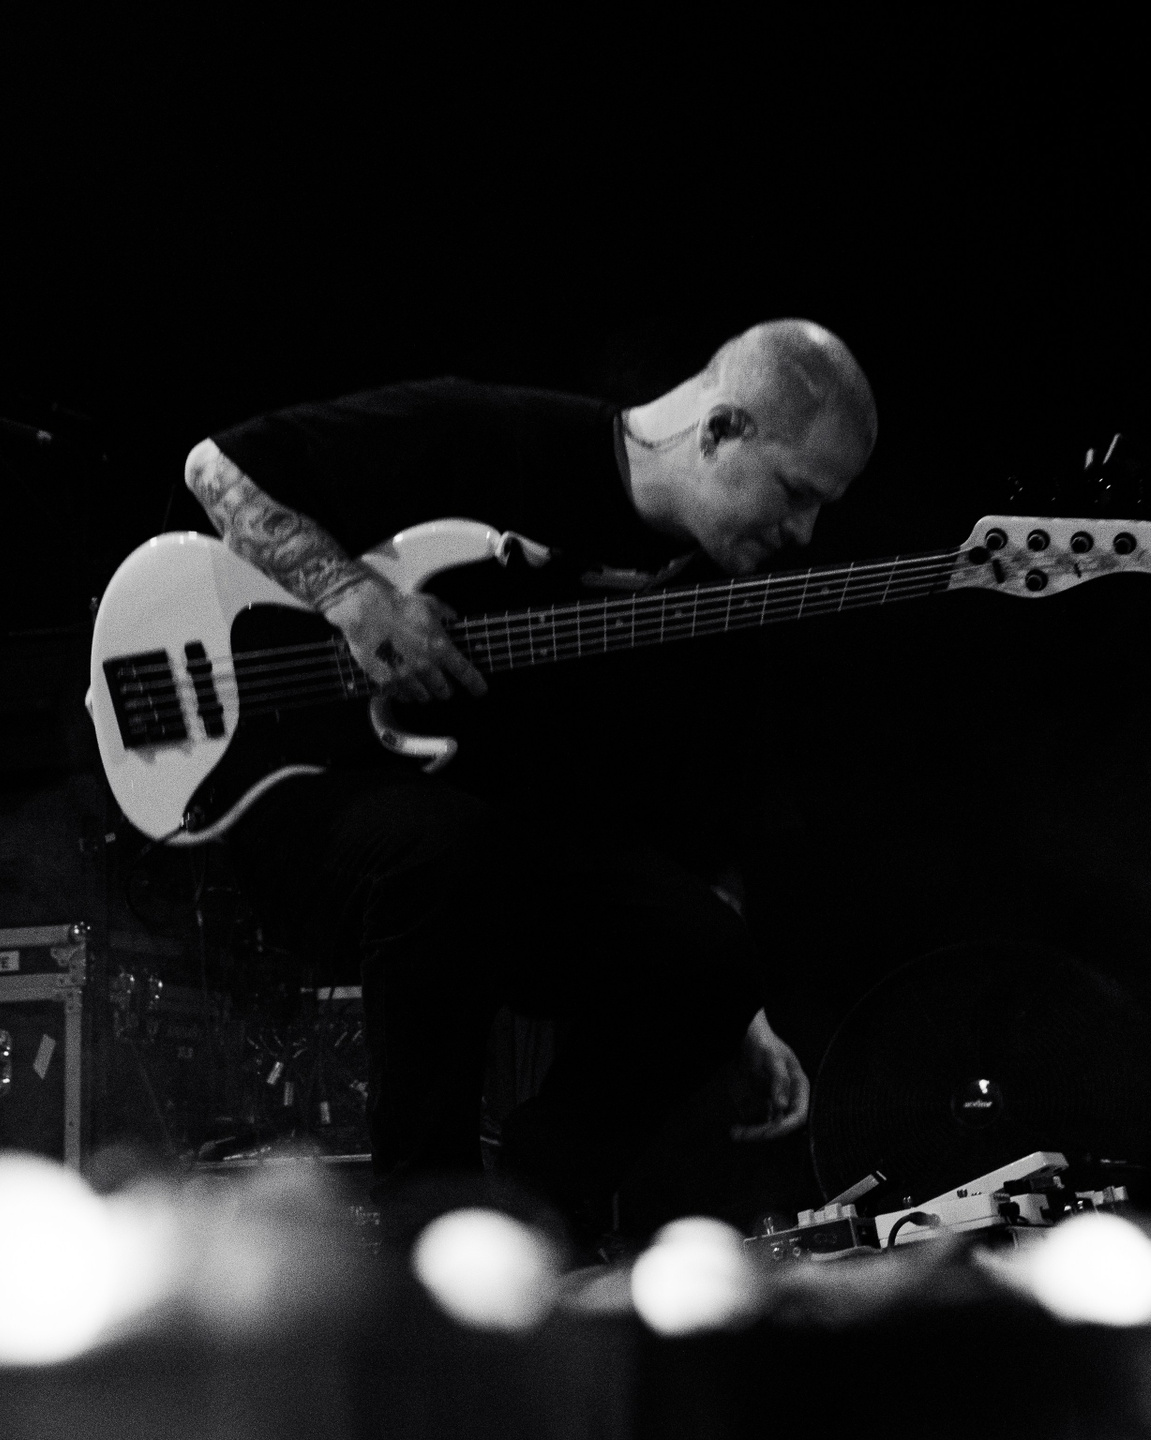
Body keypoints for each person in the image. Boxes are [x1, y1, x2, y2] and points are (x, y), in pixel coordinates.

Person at [183, 319, 877, 1243]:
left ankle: (538, 1216)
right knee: (446, 847)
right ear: (721, 430)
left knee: (714, 953)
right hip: (297, 801)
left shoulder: (707, 593)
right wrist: (354, 598)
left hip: (495, 860)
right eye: (795, 491)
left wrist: (728, 1012)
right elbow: (217, 467)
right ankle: (430, 1228)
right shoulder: (495, 431)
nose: (803, 531)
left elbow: (680, 827)